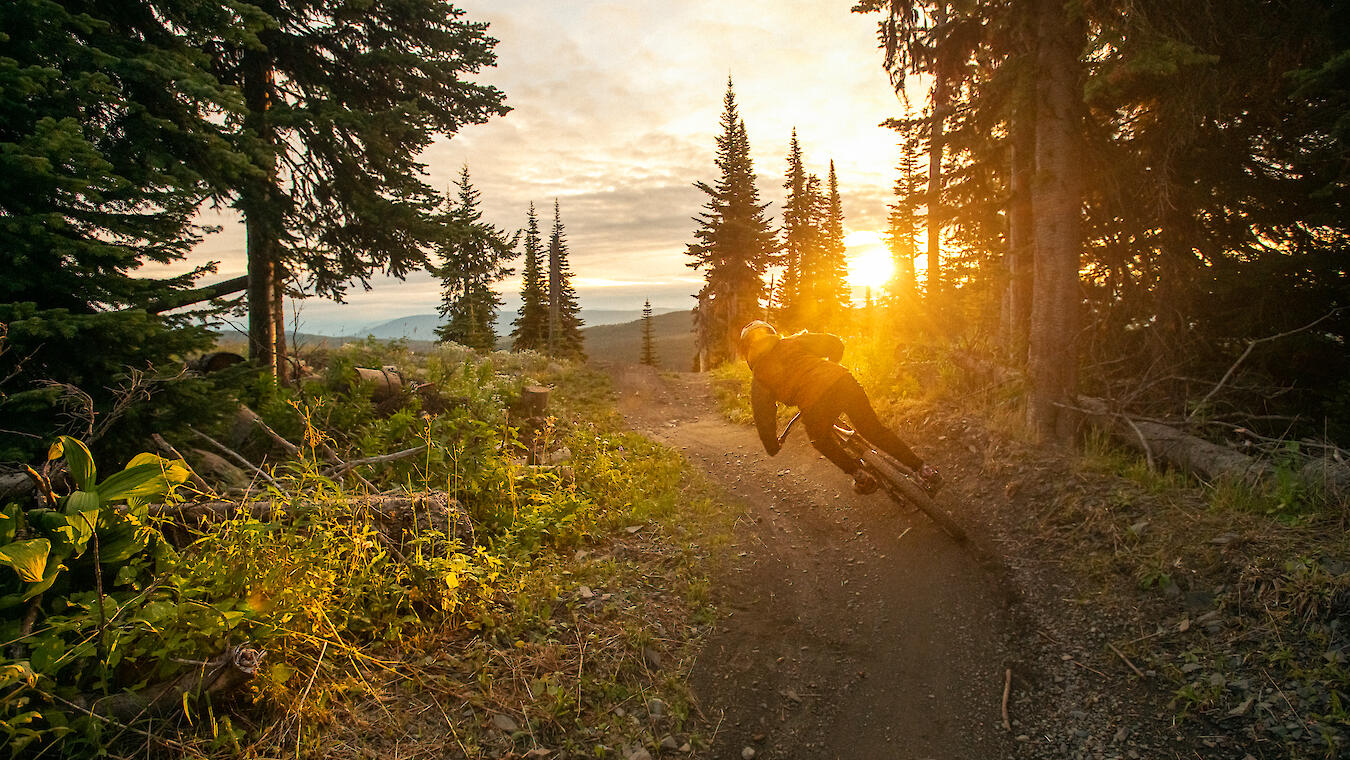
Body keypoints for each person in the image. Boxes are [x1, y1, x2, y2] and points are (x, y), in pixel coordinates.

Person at [738, 320, 942, 496]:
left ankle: (860, 476)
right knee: (874, 430)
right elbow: (834, 343)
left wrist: (772, 446)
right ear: (772, 333)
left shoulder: (759, 377)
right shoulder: (793, 341)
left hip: (814, 404)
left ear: (748, 350)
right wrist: (831, 366)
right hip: (843, 382)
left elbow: (763, 417)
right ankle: (924, 469)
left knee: (820, 440)